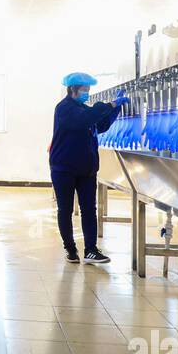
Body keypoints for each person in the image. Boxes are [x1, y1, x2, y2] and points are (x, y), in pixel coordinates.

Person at [49, 72, 127, 264]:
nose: (87, 94)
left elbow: (100, 125)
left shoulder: (84, 109)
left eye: (88, 90)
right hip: (63, 168)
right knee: (65, 209)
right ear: (72, 90)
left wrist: (115, 110)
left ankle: (91, 250)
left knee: (89, 209)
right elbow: (83, 120)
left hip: (86, 169)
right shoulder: (64, 109)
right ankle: (70, 249)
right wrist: (109, 105)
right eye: (84, 90)